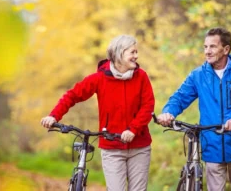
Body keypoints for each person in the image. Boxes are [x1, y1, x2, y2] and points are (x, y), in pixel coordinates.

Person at [41, 34, 155, 191]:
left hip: (139, 147)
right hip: (112, 147)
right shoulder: (100, 78)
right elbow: (73, 95)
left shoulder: (141, 77)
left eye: (136, 52)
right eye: (132, 52)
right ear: (119, 53)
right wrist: (53, 116)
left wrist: (133, 129)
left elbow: (148, 106)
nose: (137, 56)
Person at [157, 27, 231, 191]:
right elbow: (180, 97)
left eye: (212, 47)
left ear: (226, 49)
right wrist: (168, 112)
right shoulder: (198, 75)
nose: (207, 51)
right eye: (205, 47)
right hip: (212, 146)